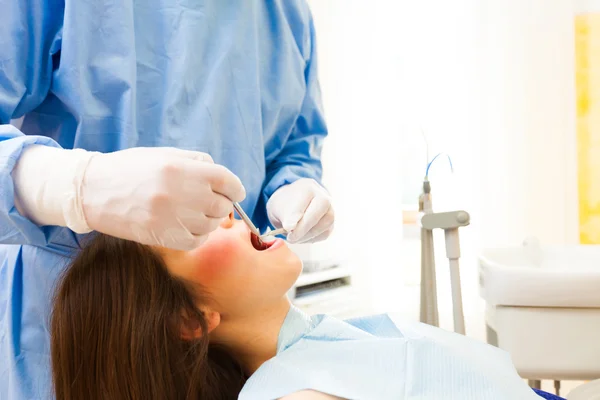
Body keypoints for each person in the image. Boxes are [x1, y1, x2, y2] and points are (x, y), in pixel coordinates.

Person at [0, 1, 334, 398]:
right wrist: (77, 186)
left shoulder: (283, 11)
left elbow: (294, 144)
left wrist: (292, 185)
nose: (226, 214)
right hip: (84, 327)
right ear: (188, 319)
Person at [50, 214, 562, 400]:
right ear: (189, 319)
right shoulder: (294, 396)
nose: (228, 216)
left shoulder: (316, 342)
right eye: (193, 233)